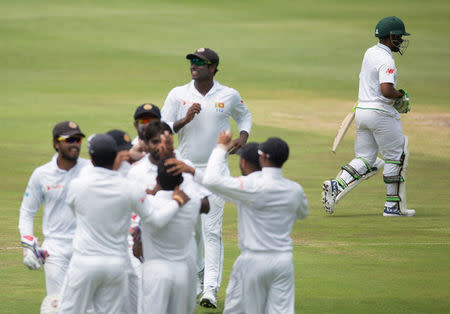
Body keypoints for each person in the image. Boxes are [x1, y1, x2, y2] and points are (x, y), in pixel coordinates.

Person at [161, 47, 252, 307]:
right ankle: (198, 276)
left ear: (213, 68)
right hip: (186, 170)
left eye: (200, 62)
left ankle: (209, 289)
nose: (194, 65)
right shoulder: (178, 94)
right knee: (190, 231)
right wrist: (185, 119)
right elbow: (164, 127)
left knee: (211, 230)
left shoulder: (229, 95)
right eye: (192, 61)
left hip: (216, 170)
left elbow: (245, 116)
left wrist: (243, 137)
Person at [58, 134, 189, 313]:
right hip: (116, 264)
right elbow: (156, 220)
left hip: (84, 262)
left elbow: (76, 211)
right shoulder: (130, 187)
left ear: (92, 158)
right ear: (116, 157)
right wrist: (176, 202)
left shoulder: (77, 185)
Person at [200, 133, 308, 314]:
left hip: (254, 260)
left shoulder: (250, 184)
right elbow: (302, 213)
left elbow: (210, 181)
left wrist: (220, 149)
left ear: (263, 157)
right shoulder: (294, 189)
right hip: (283, 261)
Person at [322, 16, 415, 217]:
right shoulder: (386, 59)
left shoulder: (370, 52)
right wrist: (401, 95)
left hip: (362, 112)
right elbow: (386, 90)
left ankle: (336, 184)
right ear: (390, 37)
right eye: (398, 36)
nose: (400, 40)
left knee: (365, 158)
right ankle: (393, 207)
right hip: (381, 113)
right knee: (396, 157)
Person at [18, 121, 89, 297]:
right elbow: (27, 211)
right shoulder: (41, 174)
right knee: (57, 302)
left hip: (86, 245)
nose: (74, 144)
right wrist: (28, 245)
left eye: (78, 140)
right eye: (69, 140)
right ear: (56, 143)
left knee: (87, 304)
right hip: (55, 248)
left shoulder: (90, 169)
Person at [140, 158, 208, 314]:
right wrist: (193, 171)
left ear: (157, 179)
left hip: (155, 273)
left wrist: (154, 191)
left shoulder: (147, 202)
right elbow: (208, 195)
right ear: (182, 180)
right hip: (182, 273)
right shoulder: (193, 204)